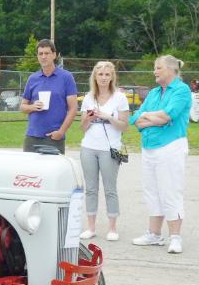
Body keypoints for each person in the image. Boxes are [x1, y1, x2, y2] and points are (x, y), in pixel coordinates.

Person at [129, 54, 191, 254]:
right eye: (154, 68)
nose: (154, 71)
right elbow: (135, 118)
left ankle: (175, 237)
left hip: (171, 147)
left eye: (158, 68)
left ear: (171, 70)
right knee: (152, 191)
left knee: (170, 191)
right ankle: (154, 234)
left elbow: (166, 116)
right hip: (149, 148)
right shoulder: (155, 93)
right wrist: (149, 117)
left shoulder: (182, 90)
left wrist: (149, 116)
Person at [79, 61, 129, 241]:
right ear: (95, 76)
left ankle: (113, 228)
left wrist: (108, 117)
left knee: (110, 188)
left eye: (107, 74)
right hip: (89, 147)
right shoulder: (88, 98)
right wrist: (89, 119)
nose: (104, 78)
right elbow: (82, 127)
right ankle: (91, 227)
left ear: (112, 77)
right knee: (91, 189)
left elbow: (124, 126)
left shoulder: (120, 98)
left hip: (110, 149)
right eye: (100, 74)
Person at [20, 39, 78, 154]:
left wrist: (61, 132)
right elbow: (22, 107)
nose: (43, 56)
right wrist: (33, 107)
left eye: (47, 53)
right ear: (37, 56)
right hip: (32, 136)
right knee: (30, 171)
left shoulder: (66, 77)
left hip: (54, 137)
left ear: (54, 55)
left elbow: (73, 108)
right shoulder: (33, 78)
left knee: (54, 172)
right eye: (40, 54)